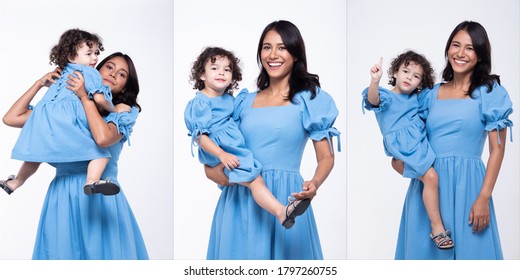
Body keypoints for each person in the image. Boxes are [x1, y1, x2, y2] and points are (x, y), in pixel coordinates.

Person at [203, 20, 340, 259]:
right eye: (267, 47)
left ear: (296, 54)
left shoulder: (311, 100)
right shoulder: (242, 102)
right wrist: (221, 172)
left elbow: (326, 157)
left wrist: (315, 184)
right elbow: (212, 163)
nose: (273, 55)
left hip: (287, 200)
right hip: (239, 202)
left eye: (282, 47)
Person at [2, 52, 148, 259]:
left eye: (122, 74)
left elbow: (102, 139)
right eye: (109, 67)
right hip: (62, 195)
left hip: (101, 196)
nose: (114, 74)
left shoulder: (123, 111)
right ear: (95, 71)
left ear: (125, 86)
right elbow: (11, 118)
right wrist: (38, 84)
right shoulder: (63, 110)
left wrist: (84, 97)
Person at [393, 21, 513, 259]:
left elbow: (496, 150)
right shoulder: (428, 95)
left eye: (469, 48)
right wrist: (403, 163)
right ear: (448, 49)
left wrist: (484, 196)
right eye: (455, 45)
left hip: (469, 188)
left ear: (480, 55)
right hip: (427, 189)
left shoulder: (490, 93)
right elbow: (407, 137)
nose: (460, 53)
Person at [185, 47, 310, 229]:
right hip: (220, 150)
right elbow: (199, 137)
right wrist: (221, 155)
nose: (221, 72)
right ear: (202, 75)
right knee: (255, 180)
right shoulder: (199, 103)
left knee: (253, 180)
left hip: (232, 149)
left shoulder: (230, 100)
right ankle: (280, 211)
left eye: (227, 69)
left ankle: (280, 210)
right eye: (214, 68)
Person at [0, 29, 129, 197]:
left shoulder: (61, 72)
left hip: (45, 117)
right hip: (68, 120)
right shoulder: (90, 73)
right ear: (70, 55)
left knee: (37, 153)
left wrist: (41, 83)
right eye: (89, 53)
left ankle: (16, 182)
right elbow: (99, 99)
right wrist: (114, 108)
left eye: (96, 53)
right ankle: (91, 182)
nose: (94, 58)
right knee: (101, 153)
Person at [362, 51, 453, 249]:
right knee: (431, 178)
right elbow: (373, 100)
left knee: (433, 178)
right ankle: (437, 228)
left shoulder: (416, 98)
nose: (409, 77)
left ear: (420, 84)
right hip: (404, 146)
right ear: (395, 72)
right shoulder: (385, 96)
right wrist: (375, 81)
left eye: (416, 76)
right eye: (405, 71)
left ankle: (435, 221)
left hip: (419, 143)